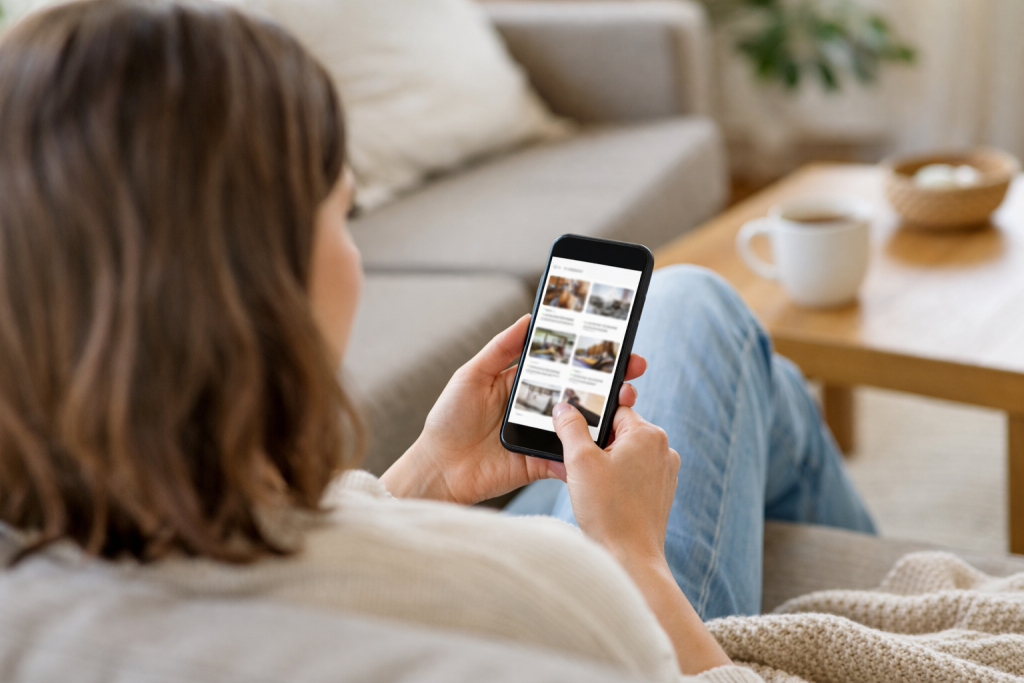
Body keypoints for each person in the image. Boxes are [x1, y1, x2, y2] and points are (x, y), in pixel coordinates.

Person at [0, 1, 874, 681]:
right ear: (262, 285)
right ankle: (867, 568)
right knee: (703, 316)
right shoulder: (557, 601)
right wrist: (634, 555)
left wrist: (424, 473)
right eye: (342, 215)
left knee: (736, 363)